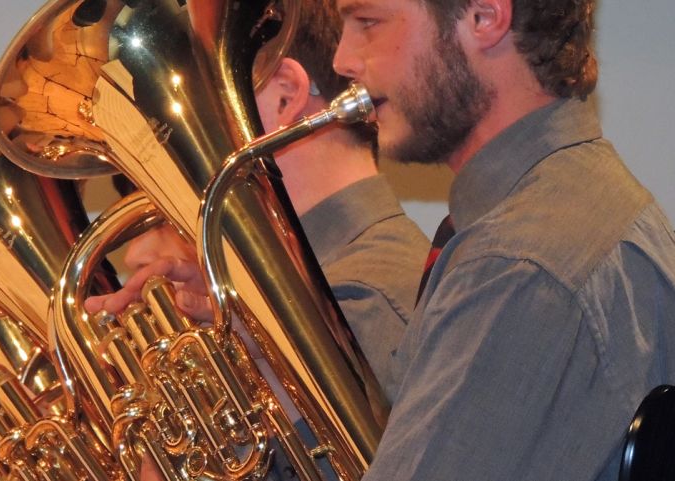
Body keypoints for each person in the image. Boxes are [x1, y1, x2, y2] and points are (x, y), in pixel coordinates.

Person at [329, 0, 675, 479]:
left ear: (485, 16)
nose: (342, 60)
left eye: (368, 22)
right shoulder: (564, 213)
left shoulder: (518, 266)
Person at [86, 0, 430, 395]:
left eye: (186, 95)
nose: (165, 136)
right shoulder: (314, 289)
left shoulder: (367, 298)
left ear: (285, 95)